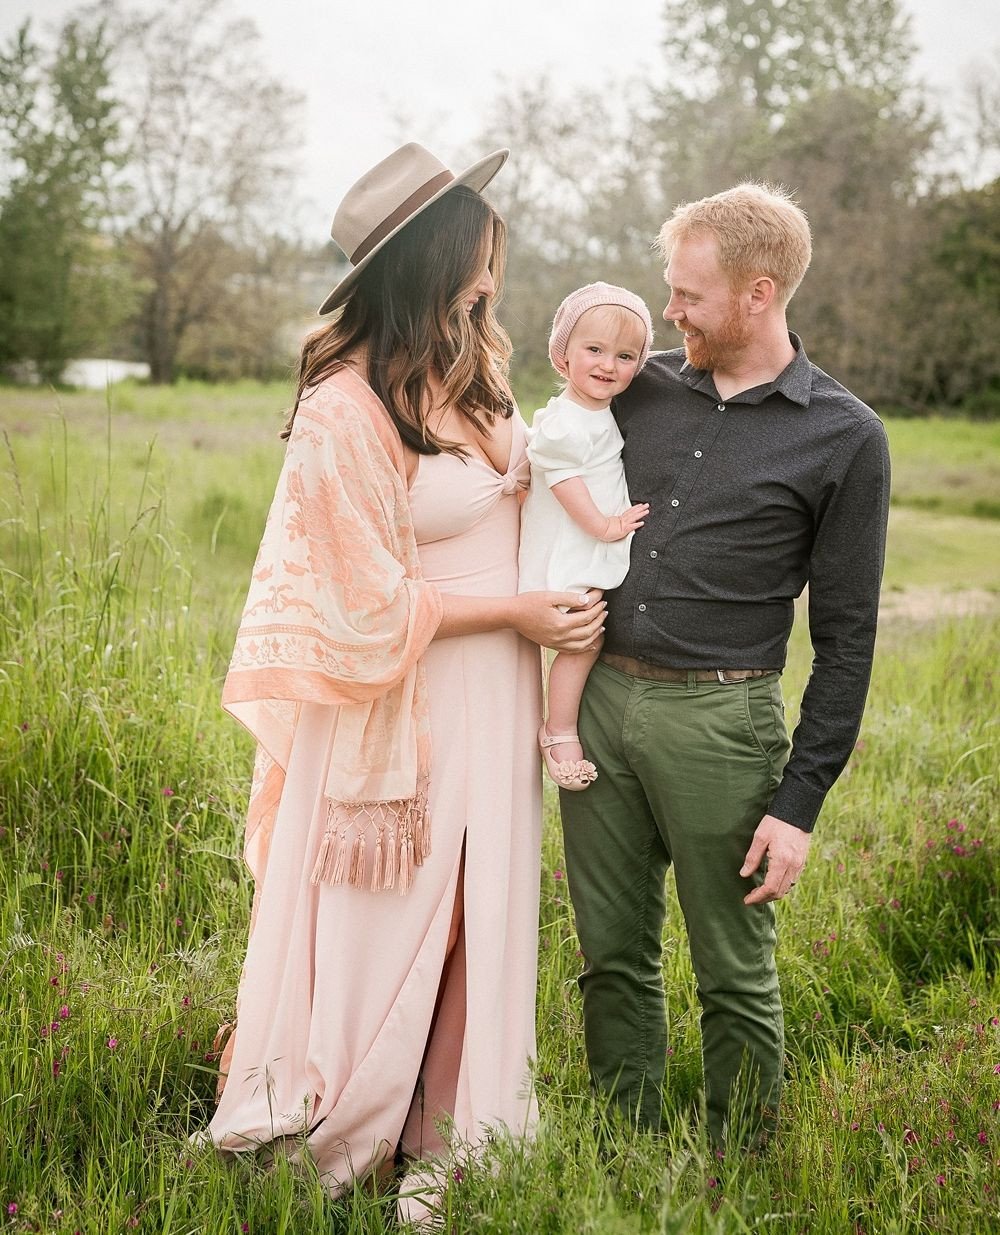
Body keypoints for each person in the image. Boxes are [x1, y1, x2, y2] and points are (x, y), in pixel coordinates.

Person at [197, 142, 606, 1220]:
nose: (491, 270)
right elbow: (358, 597)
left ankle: (449, 1126)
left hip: (500, 690)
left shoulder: (476, 372)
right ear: (433, 258)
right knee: (392, 913)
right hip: (406, 695)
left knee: (479, 905)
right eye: (477, 248)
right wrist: (515, 612)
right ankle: (349, 1110)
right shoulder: (345, 406)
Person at [560, 183, 890, 1148]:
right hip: (598, 701)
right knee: (610, 953)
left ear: (758, 293)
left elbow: (848, 639)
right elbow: (544, 444)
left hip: (722, 722)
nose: (669, 313)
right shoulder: (640, 387)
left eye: (689, 295)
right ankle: (623, 1147)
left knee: (733, 971)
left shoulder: (846, 436)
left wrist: (799, 803)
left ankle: (735, 1168)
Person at [518, 283, 653, 790]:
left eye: (625, 356)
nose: (607, 365)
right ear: (563, 356)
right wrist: (606, 525)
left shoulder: (595, 412)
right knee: (583, 640)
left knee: (589, 638)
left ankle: (560, 724)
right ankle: (558, 731)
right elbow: (565, 482)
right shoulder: (566, 423)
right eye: (594, 349)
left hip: (581, 547)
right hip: (568, 548)